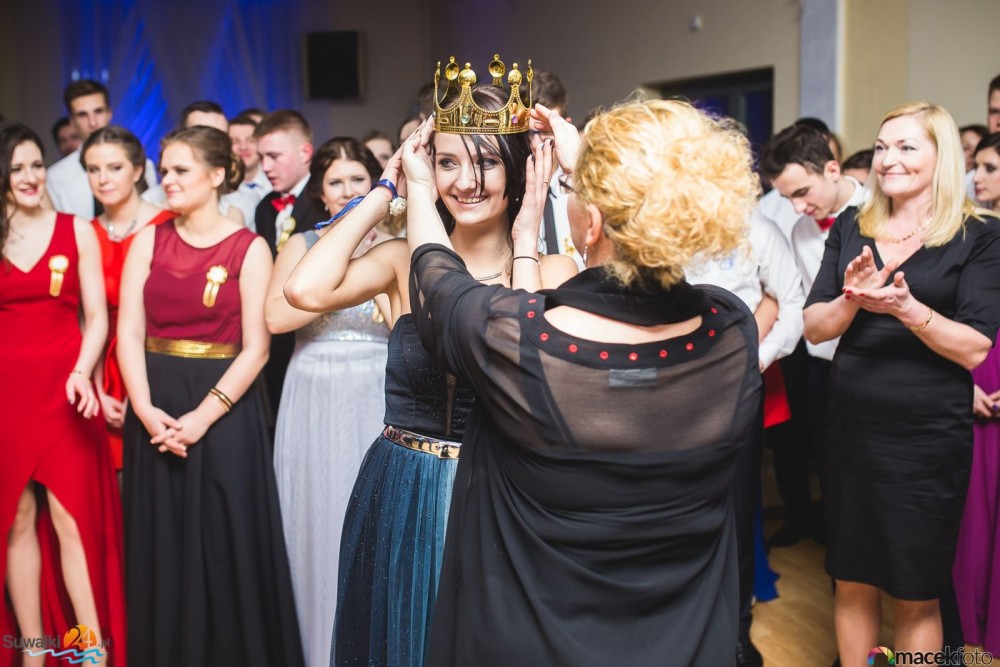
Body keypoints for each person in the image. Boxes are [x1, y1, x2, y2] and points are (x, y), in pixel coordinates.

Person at [399, 93, 761, 666]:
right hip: (685, 645)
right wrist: (589, 174)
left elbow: (437, 282)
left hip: (536, 644)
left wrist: (419, 188)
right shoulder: (732, 330)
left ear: (590, 223)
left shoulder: (515, 338)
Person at [283, 61, 577, 666]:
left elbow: (524, 366)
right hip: (400, 485)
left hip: (499, 492)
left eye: (486, 162)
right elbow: (304, 290)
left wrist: (531, 229)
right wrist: (387, 188)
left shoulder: (552, 271)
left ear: (517, 168)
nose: (465, 181)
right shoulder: (401, 263)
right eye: (447, 162)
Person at [803, 101, 1000, 666]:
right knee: (852, 577)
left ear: (941, 157)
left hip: (927, 438)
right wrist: (852, 299)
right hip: (852, 429)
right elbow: (815, 328)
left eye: (906, 147)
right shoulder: (852, 225)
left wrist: (907, 308)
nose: (888, 159)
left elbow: (974, 346)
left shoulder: (979, 234)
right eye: (882, 147)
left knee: (916, 589)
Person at [118, 126, 303, 667]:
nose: (167, 180)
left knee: (226, 544)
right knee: (160, 544)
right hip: (153, 407)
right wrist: (144, 409)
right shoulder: (148, 240)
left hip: (224, 411)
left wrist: (200, 418)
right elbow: (128, 331)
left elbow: (257, 349)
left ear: (218, 174)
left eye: (180, 170)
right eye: (164, 170)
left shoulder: (250, 248)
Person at [264, 137, 393, 667]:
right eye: (335, 182)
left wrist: (374, 267)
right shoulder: (302, 245)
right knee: (319, 519)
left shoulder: (398, 244)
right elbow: (276, 318)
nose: (346, 190)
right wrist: (336, 271)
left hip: (376, 388)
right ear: (320, 191)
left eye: (357, 179)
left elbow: (408, 327)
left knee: (376, 518)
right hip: (315, 388)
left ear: (376, 184)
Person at [0, 123, 125, 665]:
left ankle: (91, 649)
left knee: (71, 517)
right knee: (17, 520)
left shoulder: (75, 230)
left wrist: (81, 371)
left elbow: (97, 317)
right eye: (16, 168)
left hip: (66, 391)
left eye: (36, 165)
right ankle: (33, 650)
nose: (30, 177)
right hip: (7, 395)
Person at [757, 123, 868, 549]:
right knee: (830, 466)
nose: (797, 207)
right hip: (826, 367)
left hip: (877, 363)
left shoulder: (880, 211)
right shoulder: (800, 229)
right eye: (787, 198)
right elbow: (808, 305)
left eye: (802, 193)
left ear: (833, 170)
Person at [82, 125, 176, 476]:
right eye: (93, 169)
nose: (103, 179)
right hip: (103, 368)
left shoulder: (169, 226)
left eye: (115, 168)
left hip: (158, 360)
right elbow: (85, 316)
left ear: (137, 171)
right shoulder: (85, 232)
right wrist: (95, 385)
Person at [953, 131, 1000, 656]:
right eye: (977, 166)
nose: (977, 176)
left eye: (990, 167)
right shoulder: (970, 233)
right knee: (973, 502)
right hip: (975, 368)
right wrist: (961, 384)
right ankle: (970, 621)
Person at [252, 110, 328, 418]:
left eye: (273, 156)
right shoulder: (264, 208)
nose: (265, 167)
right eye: (262, 157)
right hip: (277, 336)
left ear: (305, 152)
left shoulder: (324, 202)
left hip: (316, 333)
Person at [47, 80, 156, 219]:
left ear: (109, 113)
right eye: (82, 115)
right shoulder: (56, 177)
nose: (92, 122)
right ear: (72, 121)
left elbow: (150, 217)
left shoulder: (143, 165)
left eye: (98, 111)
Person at [229, 112, 272, 207]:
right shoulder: (219, 188)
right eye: (235, 141)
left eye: (250, 140)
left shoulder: (276, 182)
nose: (243, 147)